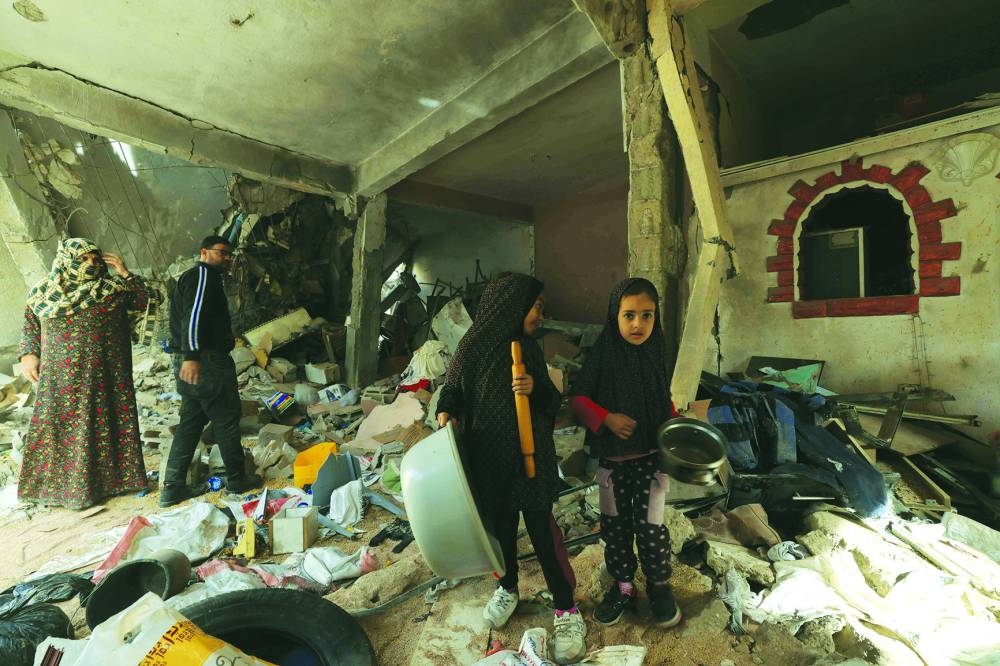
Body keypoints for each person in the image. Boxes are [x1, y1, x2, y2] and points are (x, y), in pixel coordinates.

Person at [436, 272, 586, 665]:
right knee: (499, 532)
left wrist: (536, 389)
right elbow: (452, 388)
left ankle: (566, 607)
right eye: (537, 307)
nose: (541, 315)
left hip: (530, 460)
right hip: (489, 461)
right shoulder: (472, 346)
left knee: (544, 535)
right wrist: (445, 410)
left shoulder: (528, 349)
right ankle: (508, 586)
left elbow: (553, 402)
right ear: (511, 306)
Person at [569, 277, 682, 628]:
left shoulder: (656, 352)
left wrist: (676, 425)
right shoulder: (602, 354)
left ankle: (660, 588)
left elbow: (662, 400)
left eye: (647, 315)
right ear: (614, 315)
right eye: (629, 315)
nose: (638, 324)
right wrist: (606, 418)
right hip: (613, 466)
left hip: (652, 462)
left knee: (651, 528)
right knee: (615, 529)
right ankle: (623, 587)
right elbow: (578, 399)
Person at [18, 238, 150, 510]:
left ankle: (112, 484)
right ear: (66, 261)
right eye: (83, 259)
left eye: (95, 259)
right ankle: (60, 490)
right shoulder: (44, 293)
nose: (91, 264)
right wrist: (29, 355)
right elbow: (31, 326)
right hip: (62, 380)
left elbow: (142, 300)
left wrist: (125, 273)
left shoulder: (110, 288)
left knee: (106, 426)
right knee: (59, 429)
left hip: (106, 377)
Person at [160, 236, 261, 508]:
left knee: (191, 422)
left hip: (194, 360)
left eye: (229, 254)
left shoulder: (200, 278)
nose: (227, 258)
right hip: (206, 360)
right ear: (204, 252)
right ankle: (237, 479)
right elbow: (192, 318)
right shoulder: (202, 276)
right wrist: (192, 356)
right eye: (221, 253)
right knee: (226, 417)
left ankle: (172, 487)